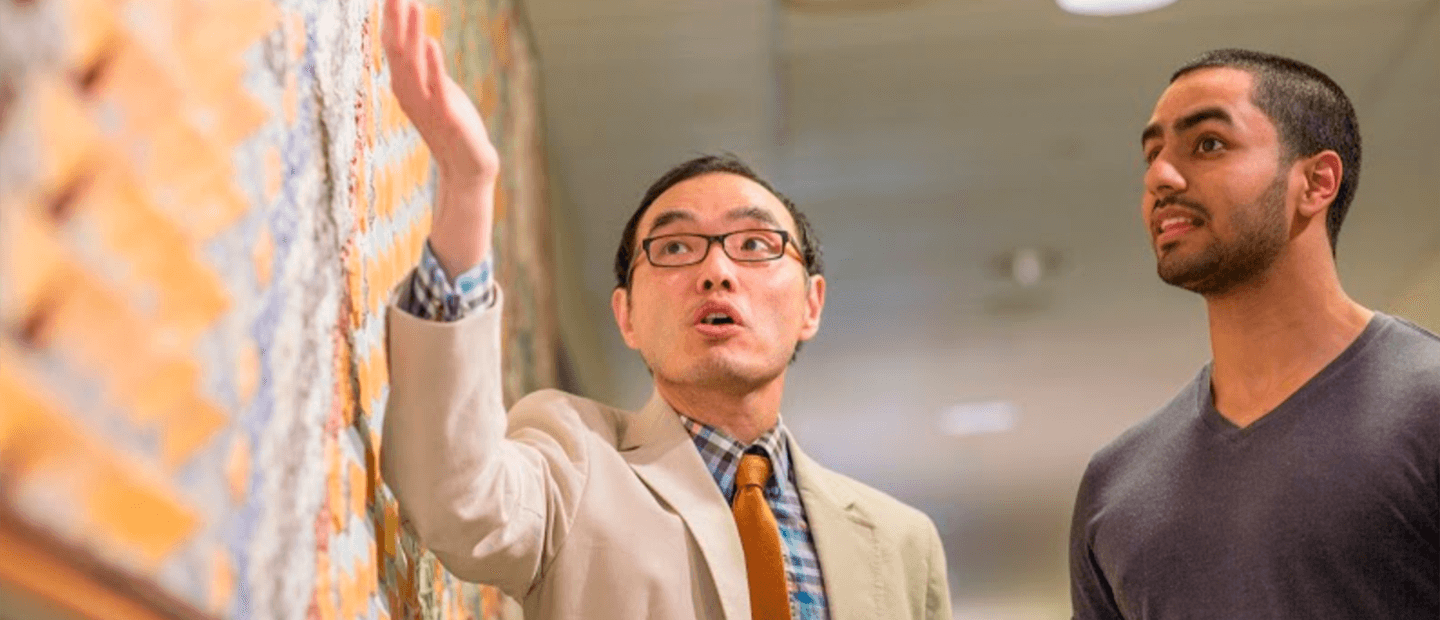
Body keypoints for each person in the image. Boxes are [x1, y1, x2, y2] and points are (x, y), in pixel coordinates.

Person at [375, 0, 953, 618]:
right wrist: (468, 185)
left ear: (811, 304)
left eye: (754, 245)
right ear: (625, 315)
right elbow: (457, 496)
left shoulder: (900, 542)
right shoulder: (573, 461)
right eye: (675, 247)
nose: (717, 270)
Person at [1069, 48, 1440, 619]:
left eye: (1208, 144)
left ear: (1316, 182)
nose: (1160, 177)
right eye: (1152, 155)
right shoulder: (1115, 485)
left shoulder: (1427, 408)